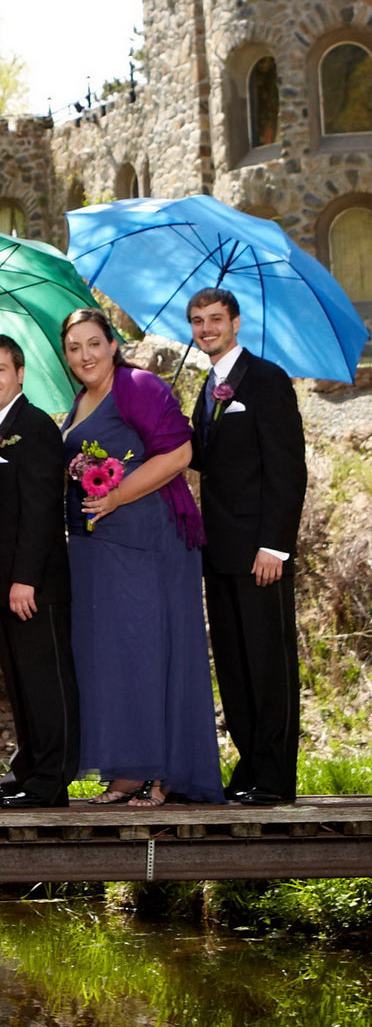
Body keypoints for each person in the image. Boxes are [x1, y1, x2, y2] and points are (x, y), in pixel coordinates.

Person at [60, 307, 224, 807]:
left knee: (150, 651)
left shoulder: (138, 386)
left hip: (147, 544)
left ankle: (166, 772)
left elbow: (179, 455)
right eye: (74, 347)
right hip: (98, 550)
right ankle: (129, 770)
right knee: (115, 658)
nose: (85, 355)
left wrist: (116, 497)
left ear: (113, 345)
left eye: (94, 343)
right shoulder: (80, 401)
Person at [188, 287, 307, 806]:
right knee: (235, 667)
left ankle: (276, 777)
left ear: (235, 323)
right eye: (198, 321)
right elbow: (204, 458)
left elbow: (287, 469)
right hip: (218, 552)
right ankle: (250, 768)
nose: (206, 328)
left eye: (215, 319)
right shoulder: (207, 387)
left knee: (268, 664)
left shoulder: (266, 379)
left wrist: (274, 547)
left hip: (261, 555)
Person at [0, 334, 80, 809]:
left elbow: (41, 510)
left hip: (34, 582)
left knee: (46, 681)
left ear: (20, 373)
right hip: (2, 579)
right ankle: (28, 768)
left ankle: (51, 780)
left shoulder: (35, 427)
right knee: (19, 681)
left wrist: (26, 579)